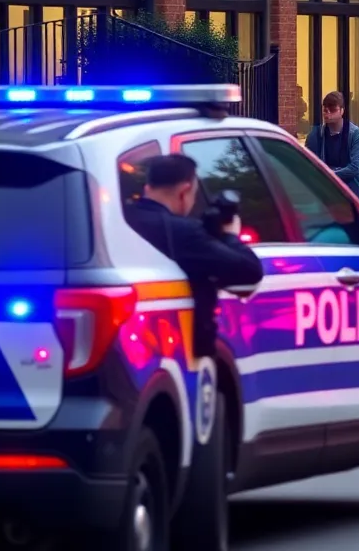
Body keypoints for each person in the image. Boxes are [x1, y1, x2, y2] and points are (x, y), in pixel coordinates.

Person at [125, 153, 264, 551]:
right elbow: (248, 270)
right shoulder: (183, 235)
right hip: (186, 360)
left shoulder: (124, 221)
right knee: (202, 460)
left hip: (132, 360)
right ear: (187, 190)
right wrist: (228, 233)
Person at [305, 91, 359, 199]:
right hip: (324, 188)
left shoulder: (355, 133)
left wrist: (329, 174)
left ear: (342, 111)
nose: (328, 113)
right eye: (325, 109)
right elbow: (308, 164)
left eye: (333, 109)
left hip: (349, 186)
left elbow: (355, 167)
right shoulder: (316, 135)